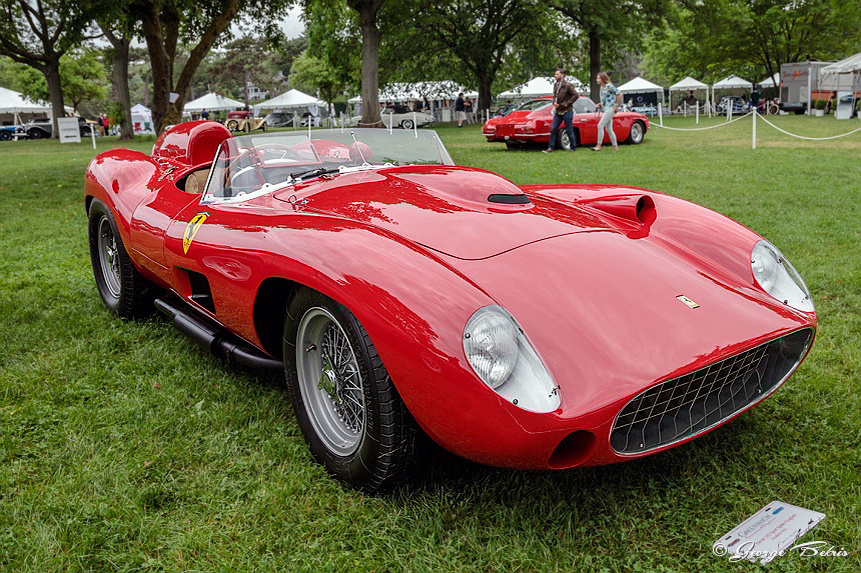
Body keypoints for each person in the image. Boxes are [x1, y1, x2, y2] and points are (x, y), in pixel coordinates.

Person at [543, 68, 579, 153]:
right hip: (558, 111)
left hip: (567, 111)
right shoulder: (556, 85)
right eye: (555, 74)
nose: (555, 76)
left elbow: (575, 95)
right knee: (553, 129)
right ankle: (550, 148)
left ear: (562, 75)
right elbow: (555, 95)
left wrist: (566, 103)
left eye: (557, 74)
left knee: (569, 129)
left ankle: (573, 148)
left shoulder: (568, 85)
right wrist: (554, 102)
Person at [592, 72, 622, 151]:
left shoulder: (609, 86)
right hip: (606, 109)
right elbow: (606, 99)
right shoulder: (602, 88)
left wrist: (617, 105)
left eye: (598, 78)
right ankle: (615, 147)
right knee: (609, 129)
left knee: (600, 125)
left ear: (602, 79)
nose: (597, 80)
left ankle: (598, 145)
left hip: (610, 109)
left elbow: (620, 94)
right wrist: (600, 104)